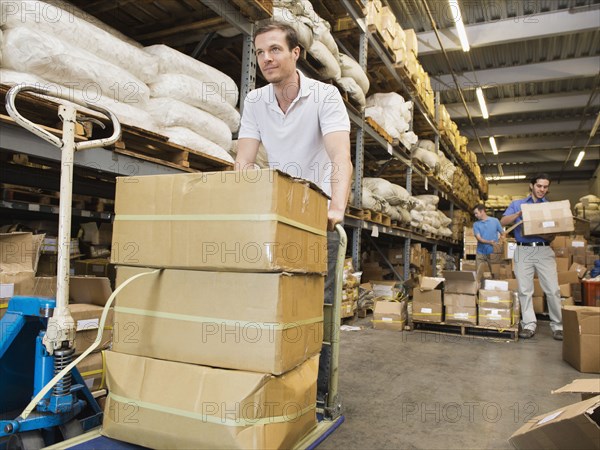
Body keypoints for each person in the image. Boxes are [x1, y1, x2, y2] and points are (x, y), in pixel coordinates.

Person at [235, 21, 352, 402]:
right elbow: (244, 160)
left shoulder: (325, 96)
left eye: (274, 50)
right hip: (276, 216)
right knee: (269, 301)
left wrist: (336, 208)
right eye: (259, 53)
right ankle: (274, 382)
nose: (266, 59)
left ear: (295, 53)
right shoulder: (255, 102)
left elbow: (340, 157)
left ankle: (317, 394)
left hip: (317, 217)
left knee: (318, 306)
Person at [500, 173, 563, 340]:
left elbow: (553, 235)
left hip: (543, 250)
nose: (542, 189)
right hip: (523, 250)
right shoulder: (517, 204)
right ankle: (529, 325)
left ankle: (558, 326)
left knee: (553, 289)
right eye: (539, 186)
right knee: (525, 290)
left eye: (545, 187)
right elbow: (503, 221)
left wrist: (539, 232)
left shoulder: (549, 207)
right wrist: (520, 214)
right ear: (531, 186)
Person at [472, 204, 504, 273]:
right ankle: (478, 284)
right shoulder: (476, 224)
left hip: (493, 252)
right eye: (474, 214)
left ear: (482, 211)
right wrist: (490, 242)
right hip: (480, 253)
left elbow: (503, 233)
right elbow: (479, 238)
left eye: (476, 213)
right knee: (478, 274)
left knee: (495, 273)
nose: (475, 215)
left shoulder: (495, 221)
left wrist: (501, 242)